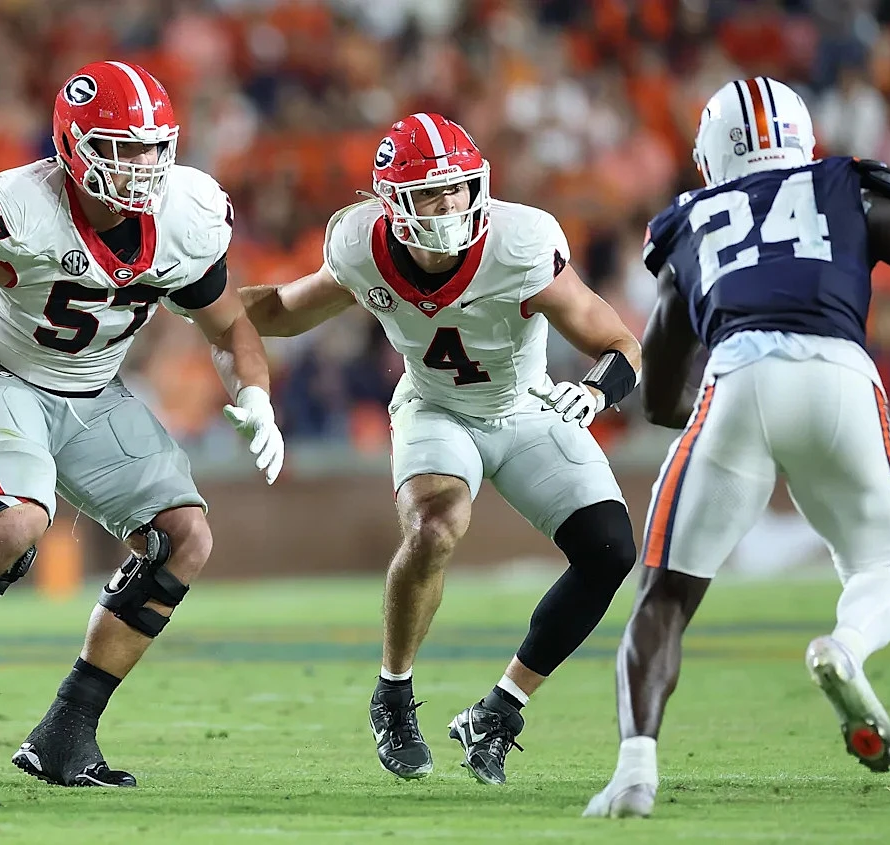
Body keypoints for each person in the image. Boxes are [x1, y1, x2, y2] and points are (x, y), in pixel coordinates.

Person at [0, 61, 285, 787]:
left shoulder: (188, 214)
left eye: (151, 148)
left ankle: (66, 733)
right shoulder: (21, 211)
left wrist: (255, 393)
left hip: (95, 387)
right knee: (14, 525)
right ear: (73, 146)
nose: (140, 167)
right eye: (121, 149)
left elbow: (228, 326)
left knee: (186, 536)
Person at [241, 113, 641, 784]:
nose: (450, 204)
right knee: (435, 525)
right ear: (392, 204)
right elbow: (283, 310)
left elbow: (620, 343)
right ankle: (393, 696)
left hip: (527, 405)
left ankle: (499, 711)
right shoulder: (362, 247)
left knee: (610, 552)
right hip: (436, 407)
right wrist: (195, 305)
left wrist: (598, 391)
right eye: (430, 193)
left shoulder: (520, 242)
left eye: (458, 187)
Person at [584, 77, 890, 819]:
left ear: (711, 155)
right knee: (883, 566)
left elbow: (659, 395)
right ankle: (847, 647)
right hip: (841, 375)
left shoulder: (691, 219)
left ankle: (634, 773)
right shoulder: (845, 186)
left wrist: (726, 423)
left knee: (664, 596)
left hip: (736, 378)